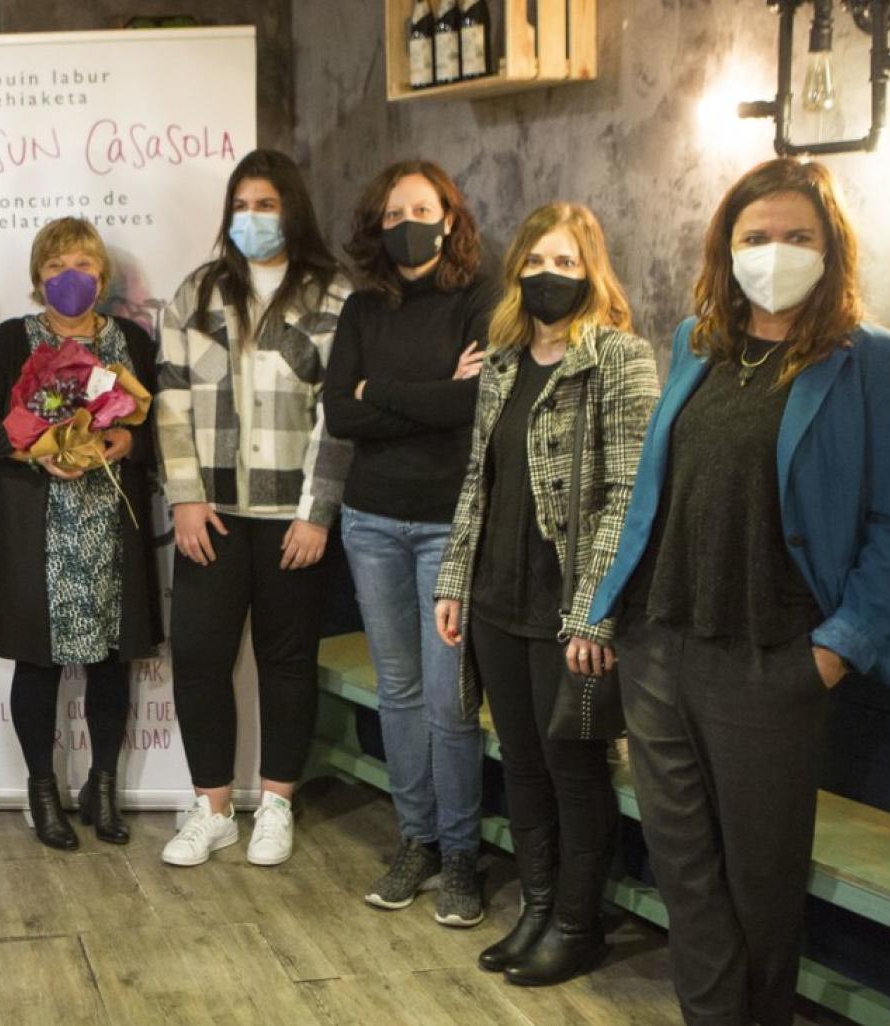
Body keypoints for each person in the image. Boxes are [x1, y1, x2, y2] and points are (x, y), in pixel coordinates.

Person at [586, 158, 890, 1026]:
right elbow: (656, 491)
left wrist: (835, 649)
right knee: (685, 876)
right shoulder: (696, 343)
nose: (776, 252)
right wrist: (606, 610)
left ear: (831, 249)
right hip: (659, 648)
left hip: (776, 663)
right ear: (726, 250)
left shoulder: (875, 363)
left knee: (762, 887)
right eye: (756, 237)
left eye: (797, 237)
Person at [431, 203, 659, 984]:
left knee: (574, 766)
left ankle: (575, 922)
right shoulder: (499, 361)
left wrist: (597, 611)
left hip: (569, 607)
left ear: (591, 272)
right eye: (536, 261)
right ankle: (534, 908)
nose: (548, 276)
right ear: (516, 269)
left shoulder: (619, 359)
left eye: (566, 263)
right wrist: (454, 578)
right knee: (521, 763)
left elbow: (629, 495)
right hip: (497, 595)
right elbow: (479, 480)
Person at [155, 149, 352, 869]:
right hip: (211, 515)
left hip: (292, 519)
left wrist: (317, 512)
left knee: (287, 662)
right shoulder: (198, 293)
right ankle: (212, 809)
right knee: (200, 658)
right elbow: (170, 402)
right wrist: (184, 496)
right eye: (242, 204)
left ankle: (275, 804)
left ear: (292, 208)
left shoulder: (333, 296)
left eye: (267, 204)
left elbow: (339, 415)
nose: (253, 217)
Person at [322, 159, 497, 926]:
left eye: (421, 209)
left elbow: (474, 403)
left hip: (448, 525)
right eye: (393, 214)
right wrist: (428, 398)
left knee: (450, 700)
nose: (407, 224)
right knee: (399, 693)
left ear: (449, 218)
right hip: (370, 522)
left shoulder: (481, 299)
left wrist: (380, 393)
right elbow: (338, 415)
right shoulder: (363, 309)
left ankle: (461, 855)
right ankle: (416, 840)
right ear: (377, 225)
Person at [0, 217, 162, 851]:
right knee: (38, 666)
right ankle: (42, 792)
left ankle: (103, 788)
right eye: (54, 265)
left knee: (109, 663)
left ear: (102, 275)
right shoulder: (12, 340)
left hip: (111, 528)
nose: (70, 276)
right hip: (37, 532)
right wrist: (31, 448)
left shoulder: (130, 339)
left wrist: (130, 439)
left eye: (83, 264)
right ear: (37, 277)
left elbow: (163, 422)